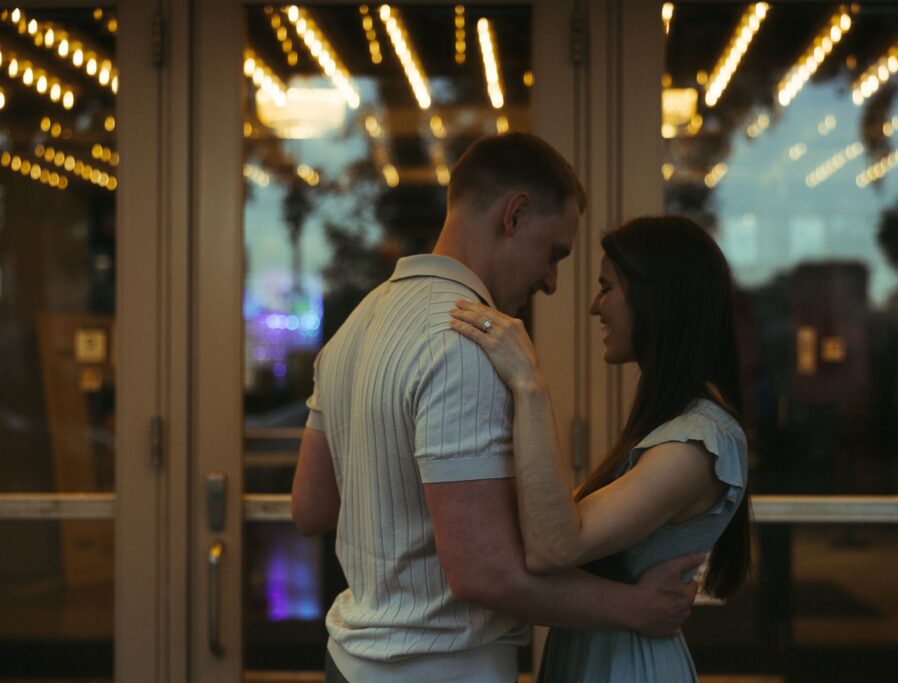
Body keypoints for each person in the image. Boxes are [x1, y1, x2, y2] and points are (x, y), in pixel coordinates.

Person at [291, 133, 705, 683]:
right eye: (554, 252)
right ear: (515, 214)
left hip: (348, 661)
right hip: (439, 669)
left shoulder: (352, 329)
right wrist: (637, 609)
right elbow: (484, 575)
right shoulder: (469, 341)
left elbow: (311, 507)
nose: (553, 283)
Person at [449, 214, 751, 682]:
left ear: (656, 299)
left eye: (606, 287)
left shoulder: (697, 443)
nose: (595, 306)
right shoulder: (676, 427)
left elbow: (554, 546)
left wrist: (528, 382)